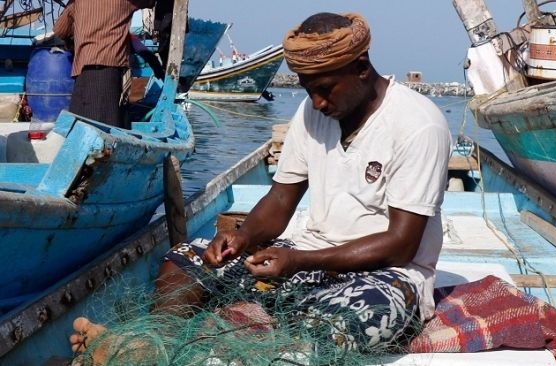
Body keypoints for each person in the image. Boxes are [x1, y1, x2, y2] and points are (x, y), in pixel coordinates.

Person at [70, 11, 452, 359]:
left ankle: (228, 345)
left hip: (387, 274)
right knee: (186, 259)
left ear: (362, 67)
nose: (316, 103)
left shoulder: (417, 124)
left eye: (325, 89)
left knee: (338, 323)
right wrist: (243, 237)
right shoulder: (313, 112)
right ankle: (154, 346)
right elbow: (282, 197)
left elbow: (401, 244)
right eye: (307, 90)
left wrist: (299, 261)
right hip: (309, 254)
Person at [53, 0, 157, 128]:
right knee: (106, 133)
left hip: (82, 74)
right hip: (108, 75)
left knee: (79, 129)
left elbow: (60, 30)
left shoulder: (76, 2)